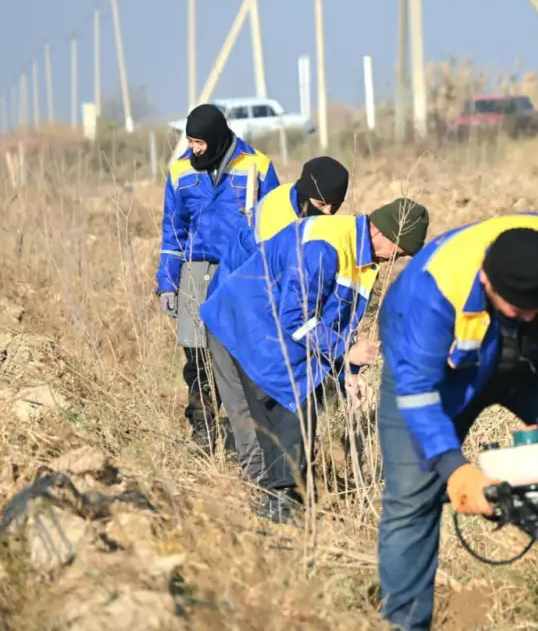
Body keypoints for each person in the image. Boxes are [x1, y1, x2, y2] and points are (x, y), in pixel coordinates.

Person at [376, 214, 538, 630]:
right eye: (519, 309)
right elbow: (418, 391)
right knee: (411, 499)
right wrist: (454, 469)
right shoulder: (434, 286)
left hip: (530, 368)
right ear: (489, 284)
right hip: (442, 377)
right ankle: (405, 623)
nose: (528, 317)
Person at [200, 198, 430, 522]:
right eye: (400, 250)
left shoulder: (361, 253)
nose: (398, 258)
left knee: (290, 410)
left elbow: (334, 317)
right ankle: (282, 505)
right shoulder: (326, 246)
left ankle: (274, 502)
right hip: (252, 325)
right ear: (380, 231)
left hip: (266, 327)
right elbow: (296, 316)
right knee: (296, 406)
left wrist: (347, 371)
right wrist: (345, 351)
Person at [207, 155, 350, 484]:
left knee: (263, 400)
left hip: (259, 312)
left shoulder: (307, 212)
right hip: (232, 309)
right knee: (245, 403)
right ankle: (261, 484)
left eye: (334, 206)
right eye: (320, 203)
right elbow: (277, 295)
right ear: (303, 192)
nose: (327, 213)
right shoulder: (278, 219)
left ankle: (276, 480)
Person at [156, 103, 280, 453]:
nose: (193, 149)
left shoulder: (257, 166)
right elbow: (173, 229)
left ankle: (257, 439)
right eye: (189, 141)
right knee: (197, 360)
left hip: (241, 273)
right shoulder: (180, 172)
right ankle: (203, 432)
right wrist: (168, 283)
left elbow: (275, 225)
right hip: (196, 273)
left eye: (199, 142)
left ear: (215, 137)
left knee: (241, 357)